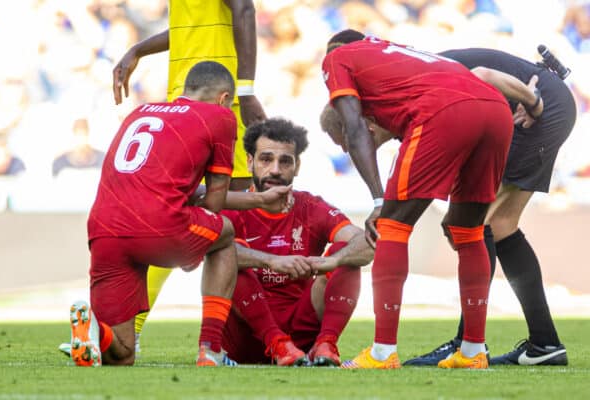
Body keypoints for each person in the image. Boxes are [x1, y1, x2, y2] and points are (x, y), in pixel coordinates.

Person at [321, 30, 524, 369]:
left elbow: (356, 129)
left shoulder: (337, 57)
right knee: (468, 229)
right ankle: (473, 351)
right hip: (496, 109)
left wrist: (376, 199)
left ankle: (383, 352)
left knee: (392, 226)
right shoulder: (400, 53)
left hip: (445, 111)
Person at [403, 47, 575, 367]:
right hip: (549, 103)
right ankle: (545, 343)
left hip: (537, 109)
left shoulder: (410, 81)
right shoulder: (409, 72)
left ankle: (466, 345)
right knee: (501, 225)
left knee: (471, 223)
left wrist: (533, 100)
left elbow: (484, 76)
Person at [112, 1, 266, 343]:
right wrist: (139, 49)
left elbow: (244, 9)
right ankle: (126, 330)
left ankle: (247, 337)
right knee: (169, 211)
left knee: (231, 216)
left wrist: (246, 89)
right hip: (186, 97)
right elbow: (188, 31)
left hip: (221, 97)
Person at [69, 61, 241, 367]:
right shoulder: (220, 116)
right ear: (224, 97)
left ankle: (95, 335)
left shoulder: (142, 111)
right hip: (160, 225)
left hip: (104, 228)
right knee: (224, 232)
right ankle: (210, 349)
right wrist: (195, 245)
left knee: (122, 355)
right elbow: (215, 201)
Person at [218, 118, 372, 366]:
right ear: (249, 162)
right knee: (226, 256)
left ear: (297, 165)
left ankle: (325, 345)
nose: (275, 170)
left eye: (285, 161)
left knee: (347, 253)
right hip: (246, 337)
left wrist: (332, 260)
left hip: (299, 338)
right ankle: (277, 343)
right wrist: (272, 261)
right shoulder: (234, 208)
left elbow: (365, 243)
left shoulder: (311, 207)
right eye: (266, 159)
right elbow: (212, 252)